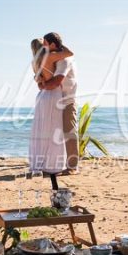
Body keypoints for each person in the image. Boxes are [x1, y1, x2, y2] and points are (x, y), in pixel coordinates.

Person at [28, 38, 73, 174]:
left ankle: (39, 163)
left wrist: (42, 84)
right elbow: (69, 52)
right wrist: (57, 42)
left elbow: (39, 82)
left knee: (41, 130)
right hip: (53, 94)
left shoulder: (34, 62)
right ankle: (52, 165)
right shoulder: (50, 56)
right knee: (54, 129)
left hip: (42, 95)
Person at [38, 32, 78, 174]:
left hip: (67, 100)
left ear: (53, 45)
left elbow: (56, 81)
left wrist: (44, 85)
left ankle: (72, 167)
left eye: (45, 44)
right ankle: (54, 165)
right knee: (54, 133)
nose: (43, 47)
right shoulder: (56, 58)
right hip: (57, 101)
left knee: (69, 132)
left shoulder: (65, 60)